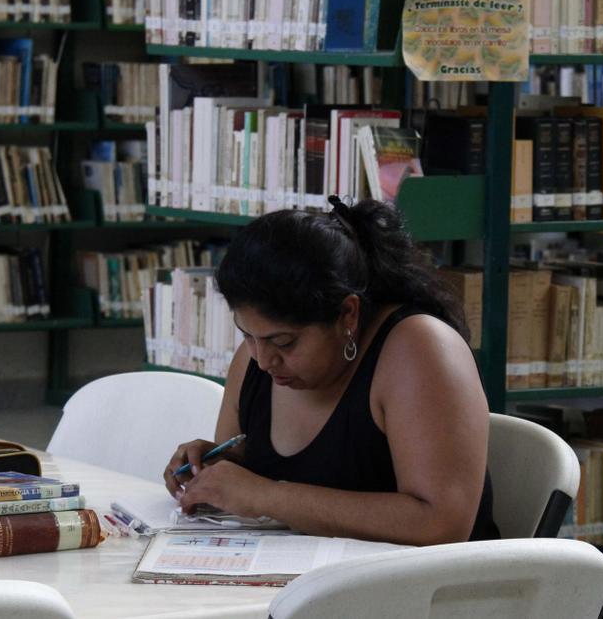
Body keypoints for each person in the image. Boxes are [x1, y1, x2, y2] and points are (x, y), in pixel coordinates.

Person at [162, 197, 499, 545]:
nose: (263, 360)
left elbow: (442, 523)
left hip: (425, 589)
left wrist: (266, 495)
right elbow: (262, 482)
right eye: (247, 335)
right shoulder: (253, 361)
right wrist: (215, 469)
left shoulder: (418, 348)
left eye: (284, 342)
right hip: (304, 582)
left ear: (347, 314)